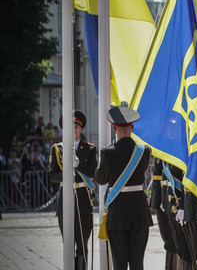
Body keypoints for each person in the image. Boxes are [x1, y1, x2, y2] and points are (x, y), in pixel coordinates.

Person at [95, 106, 153, 270]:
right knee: (137, 263)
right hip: (139, 211)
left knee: (119, 264)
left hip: (118, 210)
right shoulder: (144, 151)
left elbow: (100, 179)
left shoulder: (108, 152)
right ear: (132, 128)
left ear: (115, 128)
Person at [49, 110, 97, 270]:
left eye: (77, 126)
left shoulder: (89, 149)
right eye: (71, 126)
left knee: (83, 243)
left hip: (83, 200)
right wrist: (67, 174)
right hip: (65, 199)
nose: (74, 129)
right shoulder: (57, 149)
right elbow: (53, 175)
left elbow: (94, 172)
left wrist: (79, 165)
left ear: (81, 128)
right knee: (68, 243)